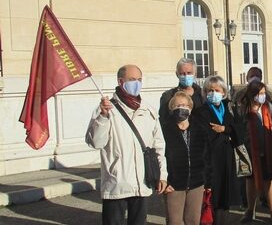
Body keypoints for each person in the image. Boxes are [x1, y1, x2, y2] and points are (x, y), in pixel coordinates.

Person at [86, 64, 168, 224]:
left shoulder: (147, 109)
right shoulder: (106, 109)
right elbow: (95, 142)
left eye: (139, 79)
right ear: (120, 81)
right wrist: (103, 116)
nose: (136, 83)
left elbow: (159, 145)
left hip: (142, 184)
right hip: (117, 184)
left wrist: (162, 175)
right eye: (132, 80)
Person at [198, 76, 246, 225]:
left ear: (223, 92)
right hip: (210, 159)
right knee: (212, 197)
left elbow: (241, 130)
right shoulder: (200, 111)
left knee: (226, 198)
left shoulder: (228, 109)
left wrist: (225, 129)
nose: (213, 93)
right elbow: (203, 134)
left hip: (227, 158)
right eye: (210, 90)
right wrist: (226, 134)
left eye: (217, 90)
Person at [239, 81, 272, 224]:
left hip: (268, 150)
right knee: (250, 181)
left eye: (264, 93)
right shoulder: (243, 109)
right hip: (249, 152)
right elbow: (238, 129)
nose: (262, 96)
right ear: (252, 95)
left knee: (269, 180)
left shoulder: (267, 106)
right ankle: (250, 210)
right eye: (259, 94)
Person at [162, 91, 207, 225]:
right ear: (171, 109)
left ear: (190, 108)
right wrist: (164, 180)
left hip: (196, 183)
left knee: (193, 220)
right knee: (174, 221)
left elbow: (207, 156)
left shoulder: (199, 129)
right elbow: (160, 157)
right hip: (174, 184)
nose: (181, 108)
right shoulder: (165, 129)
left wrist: (207, 180)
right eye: (177, 105)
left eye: (184, 105)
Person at [159, 58, 204, 128]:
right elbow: (163, 121)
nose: (186, 76)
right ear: (177, 74)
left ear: (195, 74)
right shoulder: (168, 96)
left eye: (189, 73)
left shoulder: (203, 95)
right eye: (182, 74)